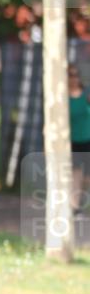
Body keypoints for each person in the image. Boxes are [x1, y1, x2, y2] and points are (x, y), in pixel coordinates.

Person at [68, 65, 90, 214]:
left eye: (76, 75)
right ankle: (75, 207)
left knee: (87, 178)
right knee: (76, 174)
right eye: (71, 75)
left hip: (88, 139)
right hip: (73, 141)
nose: (74, 78)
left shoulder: (87, 94)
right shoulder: (63, 97)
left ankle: (82, 201)